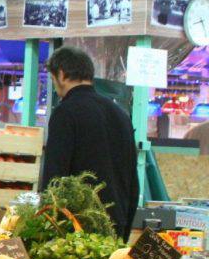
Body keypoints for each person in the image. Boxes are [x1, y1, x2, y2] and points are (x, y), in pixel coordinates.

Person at [40, 46, 139, 240]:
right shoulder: (121, 114)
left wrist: (48, 226)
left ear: (61, 74)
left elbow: (55, 178)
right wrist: (123, 233)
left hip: (76, 230)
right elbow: (133, 181)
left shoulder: (65, 113)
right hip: (115, 224)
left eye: (53, 79)